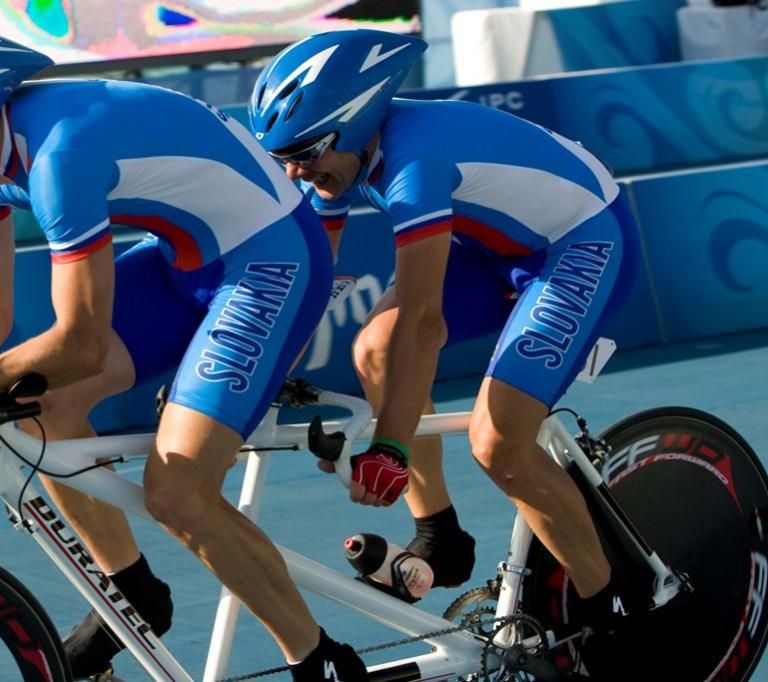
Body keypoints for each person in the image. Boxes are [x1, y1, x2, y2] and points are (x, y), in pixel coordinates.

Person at [0, 23, 368, 681]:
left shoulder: (59, 156)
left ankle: (320, 660)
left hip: (271, 261)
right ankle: (130, 590)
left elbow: (80, 344)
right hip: (183, 262)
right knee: (34, 408)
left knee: (178, 490)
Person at [249, 29, 643, 675]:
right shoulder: (339, 163)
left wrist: (391, 449)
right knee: (373, 347)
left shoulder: (413, 166)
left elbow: (425, 325)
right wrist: (259, 378)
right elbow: (309, 286)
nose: (295, 170)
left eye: (304, 152)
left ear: (354, 124)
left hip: (580, 245)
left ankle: (610, 611)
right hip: (501, 247)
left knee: (499, 445)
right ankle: (441, 534)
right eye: (281, 157)